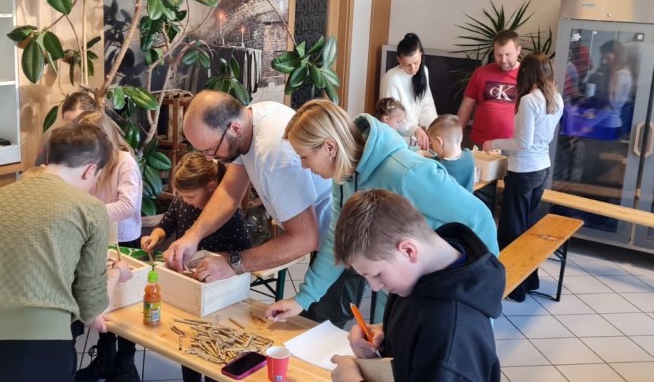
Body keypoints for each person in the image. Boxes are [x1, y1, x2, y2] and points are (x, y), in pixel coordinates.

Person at [265, 100, 498, 324]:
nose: (304, 166)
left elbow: (479, 217)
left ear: (329, 147)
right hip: (395, 291)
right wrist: (303, 298)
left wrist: (479, 293)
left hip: (440, 294)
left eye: (304, 157)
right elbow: (337, 239)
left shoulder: (405, 172)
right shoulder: (343, 176)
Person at [163, 91, 358, 325]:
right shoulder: (248, 122)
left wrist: (233, 263)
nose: (208, 158)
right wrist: (192, 236)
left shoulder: (274, 154)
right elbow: (229, 191)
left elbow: (304, 239)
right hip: (326, 242)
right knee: (309, 316)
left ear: (234, 128)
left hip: (345, 245)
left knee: (322, 327)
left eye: (210, 150)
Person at [0, 123, 114, 381]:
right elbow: (90, 299)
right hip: (40, 340)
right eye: (97, 177)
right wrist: (109, 288)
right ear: (90, 170)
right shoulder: (90, 208)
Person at [328, 190, 503, 382]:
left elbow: (433, 341)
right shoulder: (421, 274)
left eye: (377, 274)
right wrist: (385, 333)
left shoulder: (450, 334)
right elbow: (420, 325)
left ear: (408, 250)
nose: (375, 287)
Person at [141, 152, 251, 382]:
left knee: (213, 348)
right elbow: (167, 223)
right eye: (181, 196)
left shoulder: (229, 213)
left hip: (217, 293)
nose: (185, 200)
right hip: (190, 286)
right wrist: (156, 236)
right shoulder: (182, 201)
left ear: (211, 188)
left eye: (190, 196)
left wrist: (221, 259)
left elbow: (244, 253)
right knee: (189, 341)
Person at [484, 52, 564, 303]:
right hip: (542, 169)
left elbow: (522, 143)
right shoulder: (556, 97)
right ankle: (529, 281)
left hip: (524, 171)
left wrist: (493, 143)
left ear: (527, 73)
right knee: (528, 228)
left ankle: (514, 288)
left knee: (512, 231)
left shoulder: (530, 100)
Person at [71, 111, 143, 382]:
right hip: (99, 236)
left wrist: (89, 212)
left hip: (124, 239)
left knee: (124, 302)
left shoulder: (125, 162)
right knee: (104, 298)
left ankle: (126, 363)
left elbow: (127, 206)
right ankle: (105, 357)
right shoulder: (91, 160)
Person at [457, 30, 522, 149]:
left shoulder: (526, 75)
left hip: (512, 145)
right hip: (480, 143)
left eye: (508, 54)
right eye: (499, 55)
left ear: (518, 50)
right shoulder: (481, 73)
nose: (503, 60)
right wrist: (456, 137)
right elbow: (466, 107)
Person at [380, 33, 437, 150]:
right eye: (407, 65)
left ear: (421, 55)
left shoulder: (424, 71)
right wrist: (415, 129)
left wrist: (433, 127)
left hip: (415, 137)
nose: (413, 69)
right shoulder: (392, 79)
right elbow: (391, 119)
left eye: (416, 62)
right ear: (399, 60)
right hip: (396, 140)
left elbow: (427, 104)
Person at [35, 91, 99, 166]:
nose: (73, 130)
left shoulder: (102, 148)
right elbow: (37, 170)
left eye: (79, 123)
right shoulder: (52, 145)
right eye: (68, 125)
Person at [426, 114, 477, 192]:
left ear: (440, 142)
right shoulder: (469, 155)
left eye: (432, 142)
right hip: (467, 199)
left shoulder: (441, 169)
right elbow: (446, 160)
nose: (431, 145)